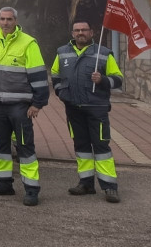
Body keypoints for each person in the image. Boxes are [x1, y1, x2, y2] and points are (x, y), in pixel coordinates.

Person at [0, 7, 48, 206]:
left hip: (20, 106)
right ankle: (4, 184)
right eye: (2, 19)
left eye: (9, 19)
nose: (5, 23)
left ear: (16, 21)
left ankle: (32, 189)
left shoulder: (28, 42)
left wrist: (38, 103)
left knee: (25, 148)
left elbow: (39, 74)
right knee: (1, 147)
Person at [51, 19, 123, 203]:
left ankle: (109, 187)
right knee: (81, 146)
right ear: (72, 33)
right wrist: (61, 92)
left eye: (84, 30)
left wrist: (103, 80)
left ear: (92, 32)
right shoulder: (62, 52)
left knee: (101, 147)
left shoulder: (103, 53)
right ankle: (86, 183)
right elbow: (55, 74)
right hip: (73, 108)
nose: (80, 33)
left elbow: (118, 79)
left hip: (96, 109)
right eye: (77, 30)